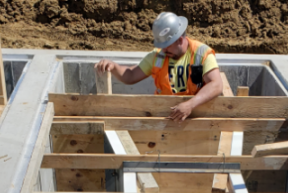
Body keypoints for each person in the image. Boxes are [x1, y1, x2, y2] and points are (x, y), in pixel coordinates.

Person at [94, 12, 222, 121]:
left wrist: (190, 105)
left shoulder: (201, 53)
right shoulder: (158, 56)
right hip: (165, 116)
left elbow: (216, 85)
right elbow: (131, 75)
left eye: (167, 45)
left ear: (180, 40)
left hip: (196, 117)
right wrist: (114, 67)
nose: (163, 49)